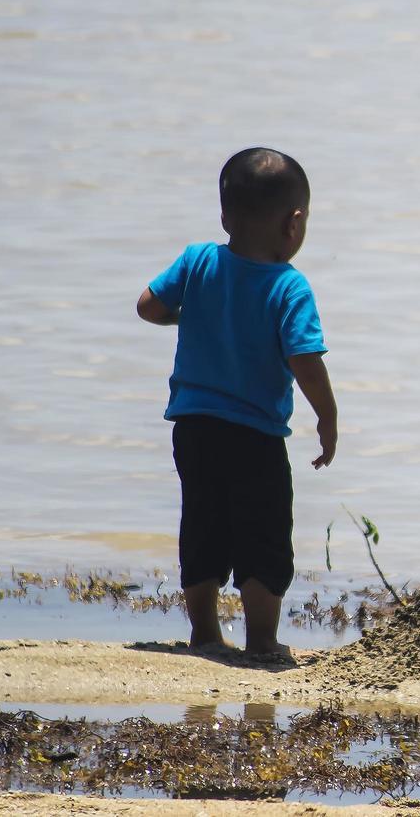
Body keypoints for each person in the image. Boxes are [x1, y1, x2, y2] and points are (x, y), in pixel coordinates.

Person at [136, 147, 338, 661]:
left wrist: (189, 317)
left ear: (224, 215)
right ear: (295, 224)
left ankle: (204, 632)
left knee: (202, 521)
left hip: (194, 427)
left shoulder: (198, 261)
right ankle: (262, 640)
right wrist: (327, 415)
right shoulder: (289, 287)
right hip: (256, 435)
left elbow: (148, 306)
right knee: (263, 532)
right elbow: (304, 358)